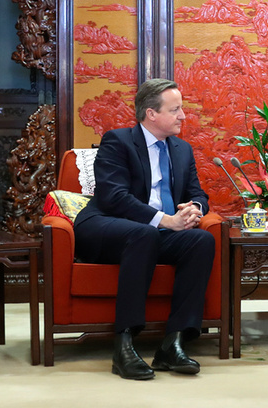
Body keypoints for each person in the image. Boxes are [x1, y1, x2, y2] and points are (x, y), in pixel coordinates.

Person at [74, 79, 215, 380]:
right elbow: (114, 198)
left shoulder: (182, 150)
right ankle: (123, 345)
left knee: (201, 240)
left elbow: (198, 193)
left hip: (152, 234)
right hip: (106, 226)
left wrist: (195, 209)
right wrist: (165, 220)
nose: (183, 116)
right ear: (151, 114)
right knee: (145, 233)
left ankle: (173, 344)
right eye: (175, 109)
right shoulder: (118, 141)